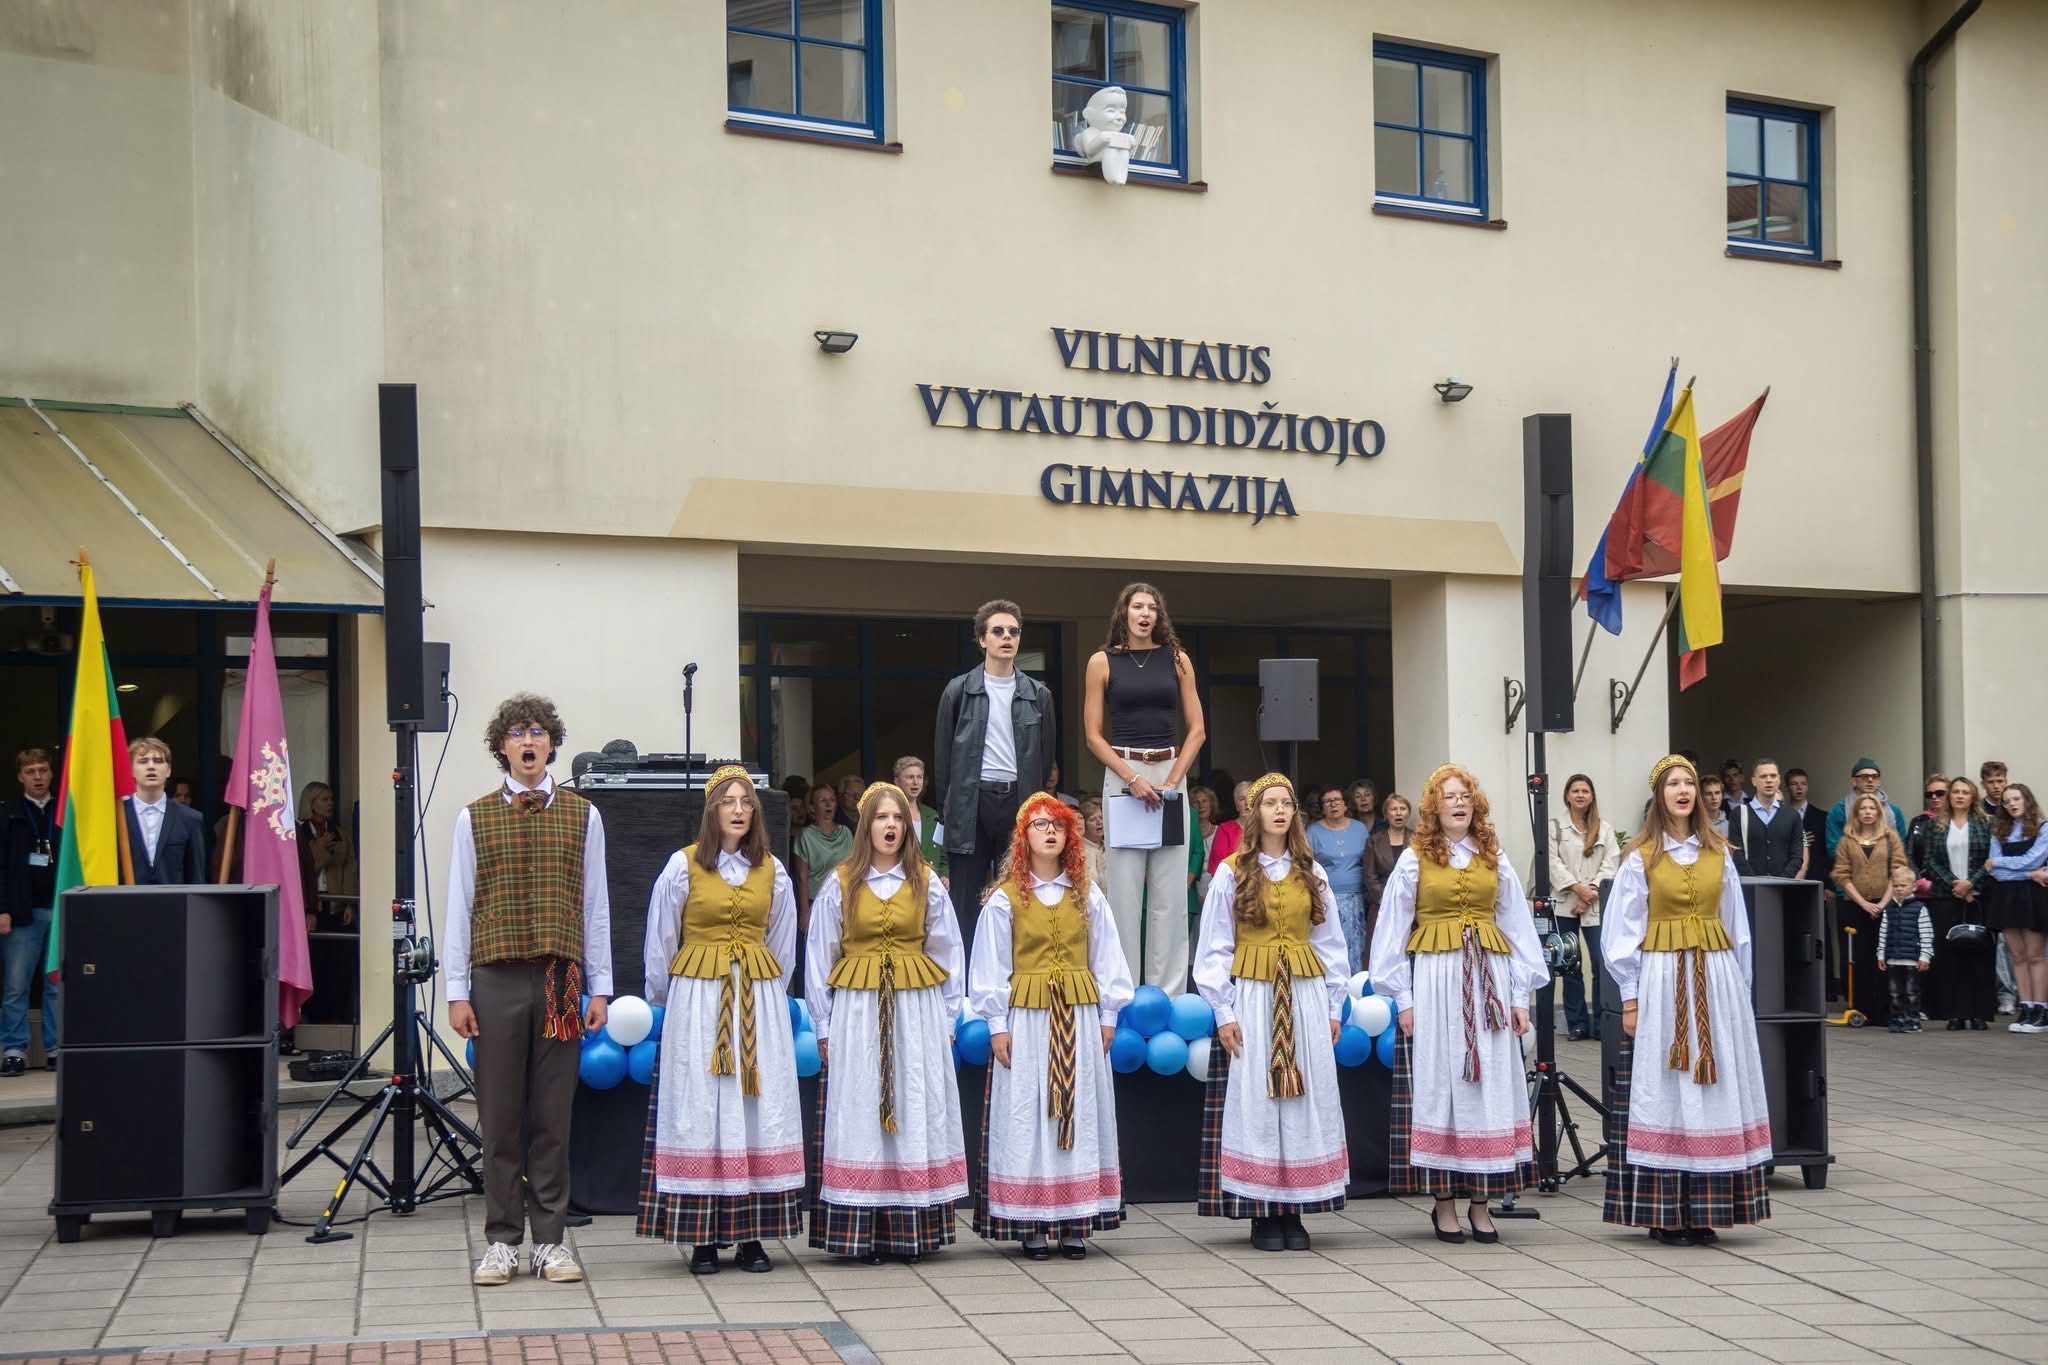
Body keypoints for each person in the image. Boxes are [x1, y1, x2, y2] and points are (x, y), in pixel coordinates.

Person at [445, 693, 612, 1286]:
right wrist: (456, 991)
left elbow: (595, 906)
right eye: (517, 732)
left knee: (552, 1117)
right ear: (502, 747)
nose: (528, 740)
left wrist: (601, 987)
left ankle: (550, 1243)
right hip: (495, 979)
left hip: (560, 978)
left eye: (538, 731)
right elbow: (459, 907)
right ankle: (501, 1241)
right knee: (499, 1117)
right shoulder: (473, 818)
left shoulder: (584, 815)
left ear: (552, 744)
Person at [638, 766, 804, 1274]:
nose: (738, 810)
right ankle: (702, 1237)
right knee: (702, 1104)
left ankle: (752, 1235)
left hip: (754, 995)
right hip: (699, 998)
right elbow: (661, 940)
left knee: (754, 1106)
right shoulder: (683, 865)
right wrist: (669, 1000)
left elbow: (782, 941)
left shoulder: (771, 870)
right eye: (728, 801)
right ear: (712, 810)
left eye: (746, 802)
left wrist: (766, 988)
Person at [1601, 755, 1772, 1246]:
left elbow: (1738, 928)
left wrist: (1740, 995)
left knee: (1712, 1088)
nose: (1683, 791)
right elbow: (1621, 934)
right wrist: (1630, 999)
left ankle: (1706, 1209)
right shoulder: (1642, 858)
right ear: (1659, 796)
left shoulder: (1719, 853)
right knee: (1665, 1087)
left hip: (1714, 980)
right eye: (1673, 784)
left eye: (1689, 783)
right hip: (1662, 979)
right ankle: (1665, 1212)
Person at [1374, 764, 1545, 1244]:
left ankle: (1481, 1202)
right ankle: (1444, 1202)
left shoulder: (1493, 856)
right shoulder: (1415, 859)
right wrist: (1403, 998)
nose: (1458, 803)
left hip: (1489, 979)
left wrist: (1520, 995)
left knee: (1488, 1083)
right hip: (1438, 980)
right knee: (1441, 1082)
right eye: (1449, 797)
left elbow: (1517, 925)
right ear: (1434, 807)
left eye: (1465, 796)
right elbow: (1391, 929)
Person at [805, 782, 968, 1264]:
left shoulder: (925, 881)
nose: (890, 825)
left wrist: (948, 1018)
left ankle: (910, 1229)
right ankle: (863, 1230)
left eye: (897, 817)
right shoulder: (841, 882)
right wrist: (823, 1024)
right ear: (866, 827)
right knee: (861, 1107)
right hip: (859, 1011)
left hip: (915, 1010)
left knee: (912, 1103)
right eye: (881, 817)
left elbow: (948, 951)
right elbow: (819, 956)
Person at [968, 794, 1133, 1260]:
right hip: (1029, 1017)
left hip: (1077, 1015)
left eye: (1057, 825)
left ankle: (1075, 1219)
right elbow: (990, 966)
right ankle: (1032, 1220)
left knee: (1077, 1108)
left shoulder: (1086, 894)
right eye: (1039, 825)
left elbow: (1107, 956)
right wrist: (997, 1023)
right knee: (1030, 1110)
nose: (1049, 832)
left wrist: (1108, 1015)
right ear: (1023, 837)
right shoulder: (1005, 900)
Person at [1193, 774, 1349, 1252]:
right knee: (1259, 1096)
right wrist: (1224, 1011)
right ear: (1254, 813)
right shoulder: (1232, 872)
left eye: (1286, 803)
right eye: (1270, 803)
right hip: (1255, 995)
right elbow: (1214, 947)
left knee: (1302, 1093)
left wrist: (1333, 1005)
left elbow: (1330, 943)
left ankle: (1295, 1207)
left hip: (1302, 993)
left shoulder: (1311, 871)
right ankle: (1262, 1210)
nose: (1279, 810)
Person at [1086, 582, 1207, 989]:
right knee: (1124, 891)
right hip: (1124, 776)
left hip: (1170, 773)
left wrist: (1174, 778)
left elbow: (1197, 731)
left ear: (1159, 616)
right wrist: (1132, 778)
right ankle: (1121, 992)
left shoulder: (1177, 660)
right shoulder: (1102, 662)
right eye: (1137, 606)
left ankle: (1167, 994)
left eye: (1152, 607)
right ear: (1124, 612)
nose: (1144, 613)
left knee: (1170, 893)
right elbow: (1093, 736)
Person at [935, 600, 1058, 952]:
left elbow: (1045, 760)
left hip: (1020, 804)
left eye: (1014, 632)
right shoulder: (958, 690)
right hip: (969, 804)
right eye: (998, 631)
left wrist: (1036, 810)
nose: (1007, 637)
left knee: (1020, 897)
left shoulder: (1039, 695)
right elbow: (943, 760)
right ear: (982, 640)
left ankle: (1017, 974)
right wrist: (948, 813)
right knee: (966, 902)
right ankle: (966, 981)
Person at [2, 749, 60, 1076]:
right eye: (30, 771)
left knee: (56, 986)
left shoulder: (64, 811)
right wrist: (2, 909)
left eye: (43, 770)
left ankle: (55, 1048)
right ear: (20, 777)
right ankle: (14, 1050)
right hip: (22, 913)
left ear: (51, 773)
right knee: (16, 986)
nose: (37, 777)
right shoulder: (8, 814)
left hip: (61, 909)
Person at [1919, 777, 1994, 1030]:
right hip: (1946, 897)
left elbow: (1992, 860)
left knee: (1979, 954)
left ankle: (1979, 1012)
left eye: (1965, 792)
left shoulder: (1986, 824)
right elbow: (1929, 862)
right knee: (1950, 955)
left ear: (1973, 797)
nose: (1960, 796)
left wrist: (1971, 884)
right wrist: (1956, 885)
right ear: (1950, 796)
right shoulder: (1935, 825)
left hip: (1978, 897)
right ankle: (1955, 1013)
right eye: (1956, 792)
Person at [1550, 774, 1620, 1040]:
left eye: (1585, 791)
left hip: (1595, 904)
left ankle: (1602, 1024)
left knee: (1601, 963)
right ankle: (1577, 1024)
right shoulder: (1556, 827)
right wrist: (1577, 889)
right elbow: (1552, 863)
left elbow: (1611, 864)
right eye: (1575, 791)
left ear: (1592, 796)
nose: (1580, 795)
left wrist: (1590, 892)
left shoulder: (1605, 829)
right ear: (1567, 796)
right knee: (1570, 965)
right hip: (1565, 904)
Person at [1831, 793, 1909, 1028]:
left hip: (1884, 906)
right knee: (1859, 958)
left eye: (1871, 808)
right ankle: (1861, 1009)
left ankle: (1885, 1010)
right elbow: (1841, 875)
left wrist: (1883, 903)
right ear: (1856, 813)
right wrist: (1863, 903)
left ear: (1878, 812)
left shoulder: (1890, 838)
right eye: (1863, 808)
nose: (1867, 812)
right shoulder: (1847, 840)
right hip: (1855, 907)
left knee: (1883, 958)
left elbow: (1898, 870)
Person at [1985, 783, 2048, 1034]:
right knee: (2018, 956)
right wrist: (2030, 873)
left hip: (2033, 896)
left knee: (2035, 956)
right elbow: (1996, 873)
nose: (2011, 804)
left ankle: (2042, 1010)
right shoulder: (1999, 830)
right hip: (2007, 896)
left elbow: (2034, 860)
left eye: (2016, 799)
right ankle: (2027, 1007)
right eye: (2006, 801)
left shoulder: (2043, 827)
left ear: (2027, 800)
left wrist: (1999, 861)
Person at [124, 737, 207, 885]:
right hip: (125, 899)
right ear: (131, 770)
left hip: (174, 899)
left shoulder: (190, 819)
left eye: (158, 761)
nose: (151, 766)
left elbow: (196, 877)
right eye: (143, 761)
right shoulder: (116, 818)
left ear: (168, 770)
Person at [1305, 787, 1369, 973]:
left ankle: (1356, 983)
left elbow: (1368, 861)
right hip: (1327, 900)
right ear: (1322, 807)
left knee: (1357, 944)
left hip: (1357, 899)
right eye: (1327, 801)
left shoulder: (1359, 828)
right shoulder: (1313, 831)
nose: (1333, 804)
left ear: (1345, 804)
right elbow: (1307, 865)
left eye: (1337, 800)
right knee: (1331, 945)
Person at [1981, 761, 2020, 1015]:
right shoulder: (1979, 811)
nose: (1996, 786)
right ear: (1984, 784)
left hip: (2018, 884)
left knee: (2019, 941)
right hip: (1990, 885)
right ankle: (2005, 994)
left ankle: (2024, 994)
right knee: (1999, 941)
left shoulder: (2018, 809)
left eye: (2000, 781)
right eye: (1991, 782)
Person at [1876, 865, 1933, 1034]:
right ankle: (1897, 1019)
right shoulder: (1889, 909)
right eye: (1895, 886)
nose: (1899, 889)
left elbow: (1926, 933)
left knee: (1911, 992)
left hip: (1912, 959)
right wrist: (1881, 954)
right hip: (1893, 958)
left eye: (1903, 885)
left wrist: (1925, 956)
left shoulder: (1919, 908)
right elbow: (1883, 932)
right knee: (1894, 993)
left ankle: (1913, 1020)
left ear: (1914, 887)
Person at [1736, 759, 1807, 881]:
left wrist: (1781, 882)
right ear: (1754, 781)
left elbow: (1797, 856)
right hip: (1749, 886)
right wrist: (1755, 883)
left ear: (1778, 780)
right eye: (1763, 776)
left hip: (1783, 887)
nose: (1769, 780)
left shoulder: (1792, 815)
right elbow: (1737, 854)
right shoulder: (1738, 814)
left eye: (1773, 776)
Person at [792, 782, 851, 912]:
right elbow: (802, 878)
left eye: (832, 800)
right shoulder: (806, 835)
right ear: (812, 808)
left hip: (844, 901)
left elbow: (855, 869)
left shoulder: (846, 833)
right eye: (822, 801)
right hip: (817, 903)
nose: (828, 804)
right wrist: (805, 912)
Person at [1362, 793, 1412, 946]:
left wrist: (1407, 899)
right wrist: (1389, 899)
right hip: (1381, 906)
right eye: (1393, 809)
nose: (1398, 813)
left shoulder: (1418, 840)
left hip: (1410, 906)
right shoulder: (1374, 841)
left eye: (1402, 808)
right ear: (1386, 814)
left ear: (1408, 813)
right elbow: (1370, 877)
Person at [892, 756, 949, 886]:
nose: (915, 782)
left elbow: (943, 857)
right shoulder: (891, 815)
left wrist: (945, 875)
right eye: (910, 777)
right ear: (897, 781)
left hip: (932, 886)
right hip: (902, 885)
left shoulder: (933, 815)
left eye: (919, 777)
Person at [1904, 774, 1950, 879]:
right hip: (1922, 881)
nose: (1934, 797)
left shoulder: (1957, 821)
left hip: (1950, 882)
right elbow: (1908, 855)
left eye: (1939, 793)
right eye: (1929, 794)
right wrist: (1919, 880)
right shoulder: (1918, 821)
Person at [1207, 781, 1248, 879]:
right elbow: (1217, 867)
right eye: (1242, 799)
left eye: (1251, 798)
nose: (1247, 803)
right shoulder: (1225, 829)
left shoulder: (1267, 828)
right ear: (1237, 805)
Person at [1079, 796, 1107, 889]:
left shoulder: (1110, 848)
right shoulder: (1078, 850)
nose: (1099, 822)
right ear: (1084, 824)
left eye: (1101, 817)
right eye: (1092, 819)